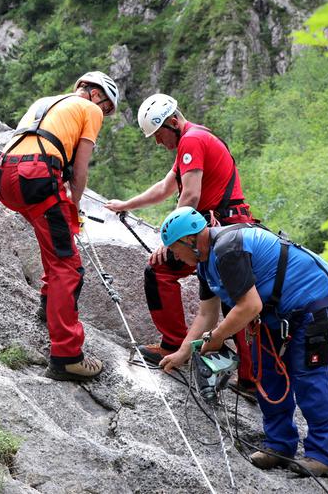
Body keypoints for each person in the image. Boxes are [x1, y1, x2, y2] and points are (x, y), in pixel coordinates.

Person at [157, 207, 328, 478]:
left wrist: (217, 337)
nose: (174, 255)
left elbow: (250, 304)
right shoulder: (206, 265)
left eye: (174, 248)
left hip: (309, 303)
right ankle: (279, 445)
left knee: (310, 379)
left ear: (191, 240)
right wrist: (183, 352)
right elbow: (207, 313)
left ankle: (323, 456)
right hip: (274, 314)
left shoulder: (228, 250)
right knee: (267, 376)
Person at [104, 93, 257, 397]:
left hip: (217, 231)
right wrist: (126, 204)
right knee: (233, 296)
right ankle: (251, 379)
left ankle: (173, 343)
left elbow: (190, 196)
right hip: (228, 227)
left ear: (173, 122)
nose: (158, 143)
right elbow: (165, 188)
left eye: (159, 135)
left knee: (159, 270)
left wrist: (171, 238)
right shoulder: (196, 139)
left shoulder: (191, 141)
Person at [0, 72, 120, 382]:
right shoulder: (89, 110)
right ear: (97, 96)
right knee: (69, 266)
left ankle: (48, 304)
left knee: (52, 241)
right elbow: (80, 168)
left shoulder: (45, 103)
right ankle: (67, 356)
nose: (104, 114)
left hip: (6, 175)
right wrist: (74, 208)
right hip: (37, 176)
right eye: (106, 108)